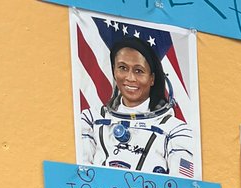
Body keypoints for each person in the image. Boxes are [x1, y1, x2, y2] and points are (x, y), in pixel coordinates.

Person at [80, 36, 195, 176]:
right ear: (114, 71)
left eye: (138, 71)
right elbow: (79, 173)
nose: (130, 78)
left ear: (152, 78)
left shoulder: (175, 131)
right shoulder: (91, 119)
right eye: (122, 68)